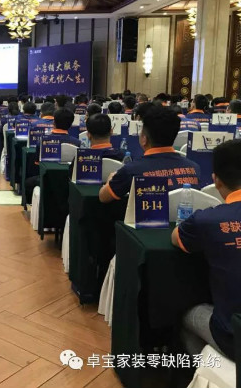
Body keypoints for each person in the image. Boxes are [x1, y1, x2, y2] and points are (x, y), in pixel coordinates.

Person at [172, 140, 241, 359]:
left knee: (185, 314)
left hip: (234, 337)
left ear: (216, 180)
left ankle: (206, 371)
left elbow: (176, 237)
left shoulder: (208, 220)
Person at [99, 106, 200, 203]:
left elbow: (104, 197)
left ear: (144, 139)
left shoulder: (131, 170)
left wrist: (110, 180)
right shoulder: (194, 168)